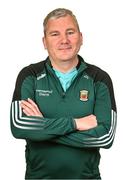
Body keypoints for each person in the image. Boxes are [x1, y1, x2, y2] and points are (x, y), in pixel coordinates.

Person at [10, 8, 117, 179]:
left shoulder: (100, 79)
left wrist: (43, 128)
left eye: (70, 32)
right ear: (44, 42)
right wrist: (76, 123)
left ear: (81, 38)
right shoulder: (29, 76)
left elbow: (105, 137)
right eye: (55, 34)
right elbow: (19, 125)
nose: (64, 40)